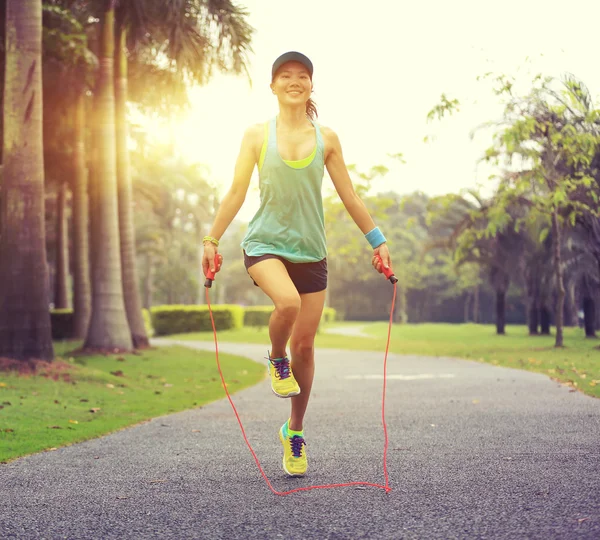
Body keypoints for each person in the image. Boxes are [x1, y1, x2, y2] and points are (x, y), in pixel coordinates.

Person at [201, 51, 392, 478]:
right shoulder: (255, 135)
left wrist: (377, 241)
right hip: (265, 243)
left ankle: (294, 431)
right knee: (285, 305)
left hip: (312, 252)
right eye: (285, 75)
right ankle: (275, 358)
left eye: (302, 75)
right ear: (272, 86)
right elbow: (235, 191)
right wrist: (211, 239)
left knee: (306, 345)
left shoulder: (327, 139)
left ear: (310, 85)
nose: (293, 81)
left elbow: (350, 196)